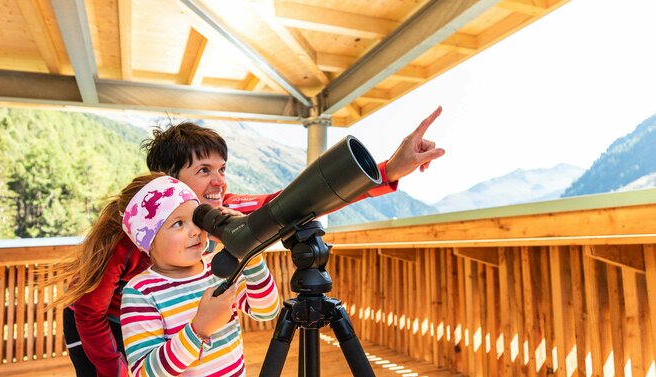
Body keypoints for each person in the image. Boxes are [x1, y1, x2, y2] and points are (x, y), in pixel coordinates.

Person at [55, 106, 445, 376]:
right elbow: (88, 311)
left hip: (188, 332)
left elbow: (296, 202)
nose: (219, 181)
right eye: (204, 169)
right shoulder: (134, 229)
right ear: (168, 180)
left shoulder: (223, 212)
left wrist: (391, 168)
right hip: (106, 325)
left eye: (222, 169)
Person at [119, 174, 279, 376]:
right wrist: (199, 329)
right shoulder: (141, 292)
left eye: (196, 219)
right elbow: (144, 372)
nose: (195, 230)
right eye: (178, 223)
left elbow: (266, 311)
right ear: (148, 239)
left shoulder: (218, 267)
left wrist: (251, 254)